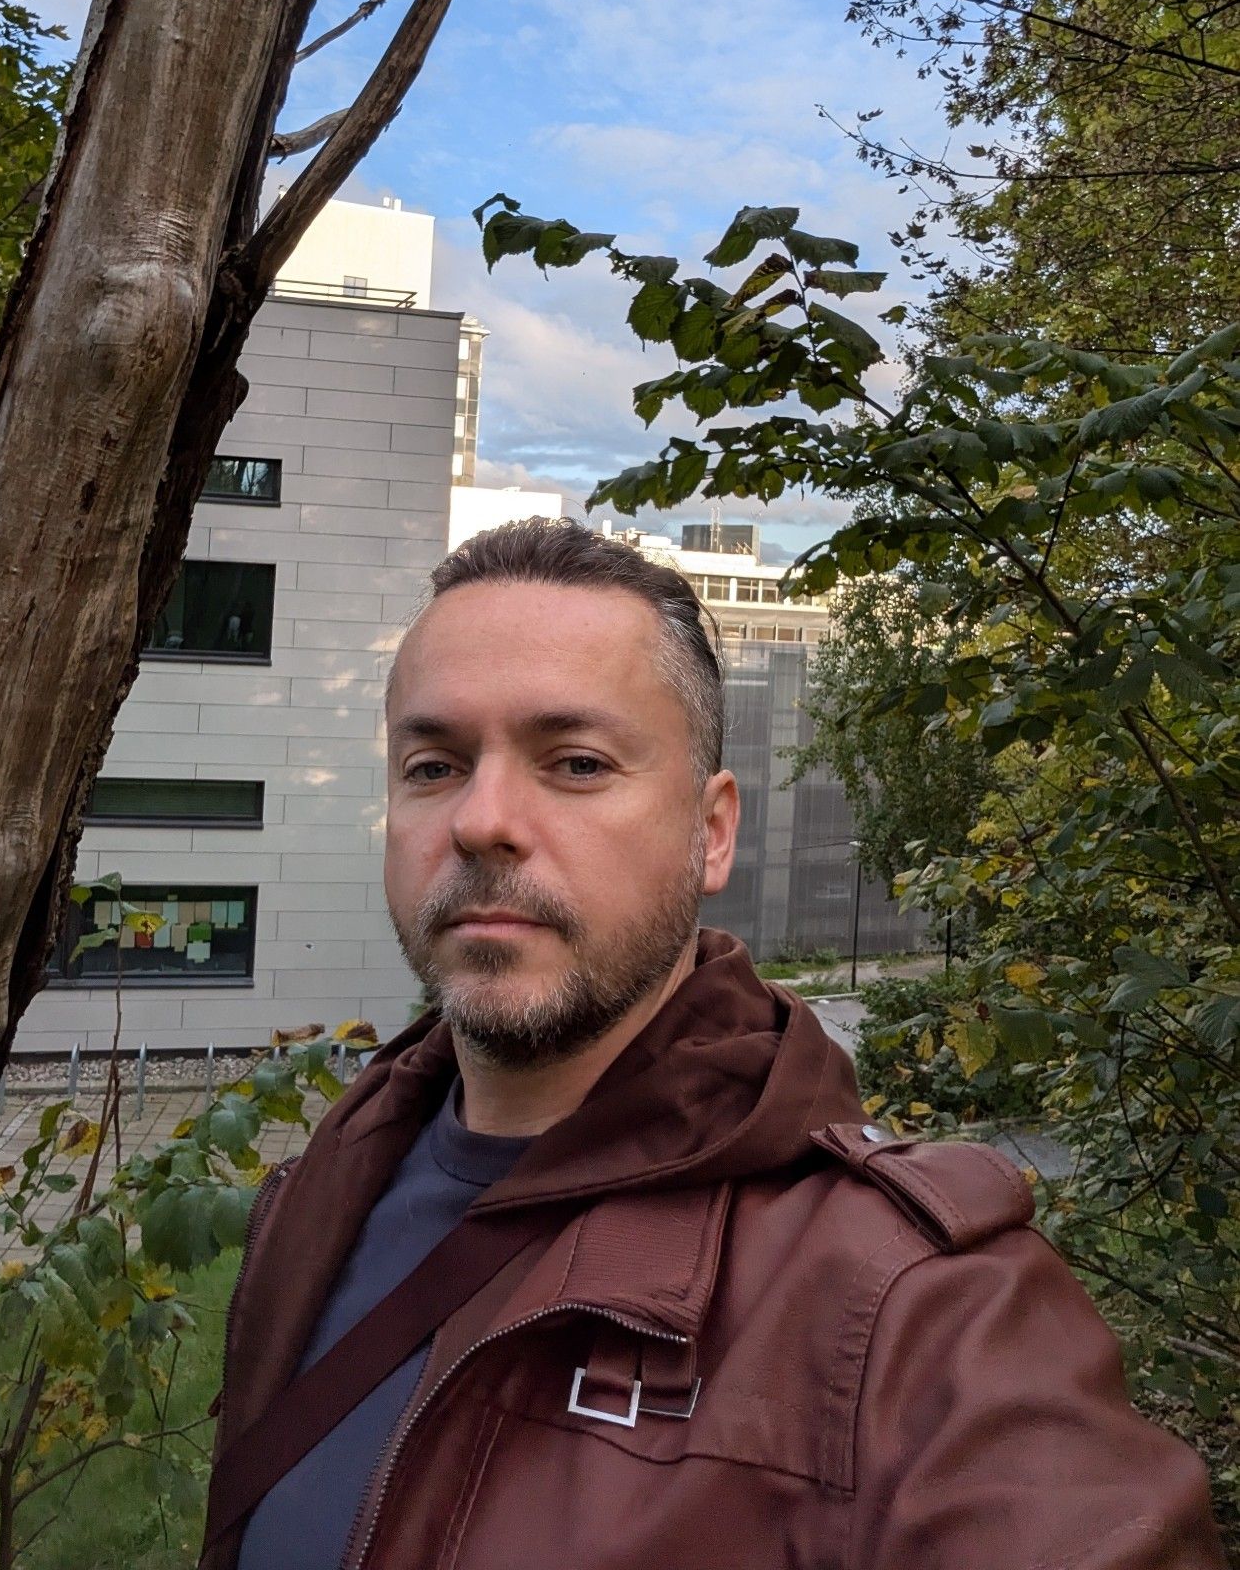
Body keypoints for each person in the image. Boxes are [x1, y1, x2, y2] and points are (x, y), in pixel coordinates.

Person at [201, 518, 1223, 1570]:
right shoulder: (319, 1194)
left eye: (578, 761)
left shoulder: (906, 1304)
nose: (481, 817)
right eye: (433, 763)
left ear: (713, 829)